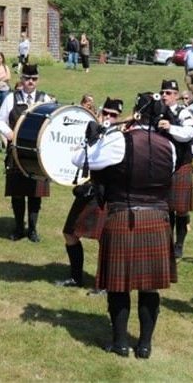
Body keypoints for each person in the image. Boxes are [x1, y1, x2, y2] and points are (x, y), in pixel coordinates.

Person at [72, 93, 177, 358]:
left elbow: (79, 160)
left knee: (119, 285)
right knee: (149, 286)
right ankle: (144, 345)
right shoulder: (170, 147)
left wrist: (92, 138)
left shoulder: (120, 141)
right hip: (158, 219)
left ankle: (120, 343)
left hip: (123, 216)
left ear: (136, 113)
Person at [57, 97, 123, 290]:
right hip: (89, 191)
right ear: (100, 113)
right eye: (106, 113)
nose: (109, 118)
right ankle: (76, 278)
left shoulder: (118, 139)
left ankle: (103, 284)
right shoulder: (92, 132)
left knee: (106, 242)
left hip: (107, 195)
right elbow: (76, 158)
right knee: (70, 233)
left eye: (114, 115)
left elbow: (89, 160)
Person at [0, 63, 53, 242]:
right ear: (21, 79)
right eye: (27, 78)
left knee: (35, 193)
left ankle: (33, 229)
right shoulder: (12, 98)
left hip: (39, 155)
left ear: (37, 80)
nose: (30, 82)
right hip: (16, 152)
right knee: (18, 192)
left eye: (34, 79)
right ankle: (19, 228)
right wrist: (8, 133)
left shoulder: (46, 99)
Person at [157, 79, 193, 259]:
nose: (165, 95)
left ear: (176, 95)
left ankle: (179, 244)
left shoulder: (184, 112)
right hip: (162, 165)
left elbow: (188, 134)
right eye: (163, 92)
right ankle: (166, 243)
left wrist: (170, 127)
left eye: (169, 93)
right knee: (165, 207)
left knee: (180, 208)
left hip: (181, 165)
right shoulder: (157, 112)